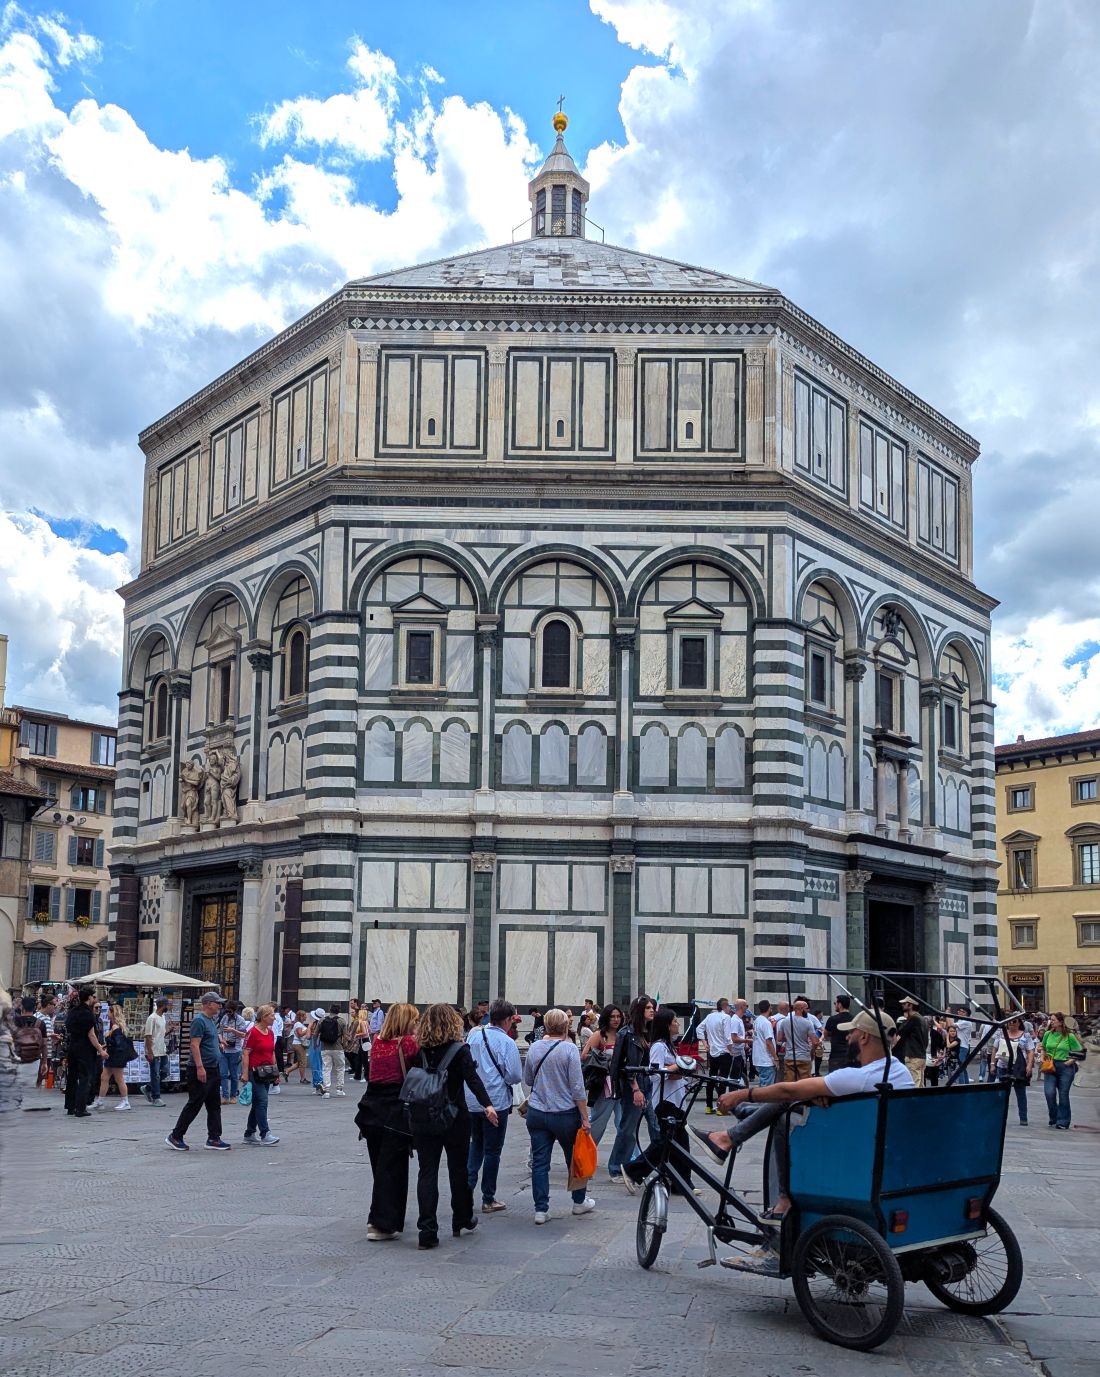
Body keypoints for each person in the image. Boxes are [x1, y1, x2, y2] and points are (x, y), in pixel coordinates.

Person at [693, 1010, 914, 1238]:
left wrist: (741, 1094)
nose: (848, 1038)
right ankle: (736, 1129)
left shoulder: (858, 1077)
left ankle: (781, 1194)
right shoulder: (900, 1072)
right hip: (882, 1149)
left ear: (865, 1038)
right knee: (798, 1099)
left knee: (784, 1113)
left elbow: (788, 1089)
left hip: (851, 1151)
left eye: (852, 1033)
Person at [409, 1002, 496, 1249]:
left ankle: (427, 1230)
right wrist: (487, 1105)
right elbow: (473, 1079)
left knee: (427, 1172)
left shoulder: (421, 1049)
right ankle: (462, 1218)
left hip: (424, 1117)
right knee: (458, 1170)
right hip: (454, 1117)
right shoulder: (460, 1050)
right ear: (453, 1023)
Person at [524, 1007, 594, 1224]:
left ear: (545, 1026)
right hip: (564, 1114)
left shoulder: (535, 1047)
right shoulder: (569, 1049)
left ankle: (541, 1210)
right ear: (566, 1027)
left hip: (537, 1112)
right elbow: (577, 1087)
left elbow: (527, 1079)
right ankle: (579, 1202)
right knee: (574, 1158)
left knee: (540, 1162)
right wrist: (584, 1117)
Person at [359, 1002, 419, 1241]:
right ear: (406, 1021)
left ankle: (386, 1216)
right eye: (414, 1019)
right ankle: (381, 1223)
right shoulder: (407, 1043)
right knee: (393, 1167)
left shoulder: (377, 1042)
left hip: (370, 1108)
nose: (417, 1023)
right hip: (395, 1108)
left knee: (380, 1166)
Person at [628, 1007, 695, 1193]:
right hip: (665, 1101)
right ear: (667, 1025)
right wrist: (675, 1067)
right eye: (674, 1021)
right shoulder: (658, 1046)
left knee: (676, 1142)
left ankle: (680, 1182)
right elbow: (655, 1074)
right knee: (667, 1142)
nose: (678, 1024)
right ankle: (634, 1170)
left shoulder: (669, 1046)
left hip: (676, 1099)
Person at [466, 999, 522, 1214]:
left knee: (475, 1145)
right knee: (492, 1151)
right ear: (507, 1019)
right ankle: (488, 1198)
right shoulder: (507, 1043)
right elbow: (515, 1075)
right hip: (496, 1102)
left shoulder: (474, 1034)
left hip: (472, 1100)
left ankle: (466, 1190)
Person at [166, 991, 231, 1151]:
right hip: (200, 1069)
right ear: (208, 1004)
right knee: (195, 1103)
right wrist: (200, 1067)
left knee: (214, 1105)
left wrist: (219, 1043)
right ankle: (175, 1136)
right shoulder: (199, 1020)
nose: (220, 1006)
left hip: (213, 1068)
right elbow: (194, 1044)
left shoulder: (211, 1020)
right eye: (218, 1003)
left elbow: (209, 1040)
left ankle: (214, 1138)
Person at [606, 993, 655, 1190]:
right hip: (633, 1085)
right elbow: (620, 1065)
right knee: (627, 1129)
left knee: (657, 1127)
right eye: (648, 1008)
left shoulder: (651, 1032)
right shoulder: (626, 1034)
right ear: (639, 1011)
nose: (652, 1010)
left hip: (650, 1084)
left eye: (653, 1007)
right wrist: (634, 1088)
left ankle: (643, 1167)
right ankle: (616, 1168)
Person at [582, 1004, 623, 1150]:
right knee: (598, 1122)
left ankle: (631, 1159)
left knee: (623, 1123)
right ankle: (585, 1153)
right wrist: (605, 1057)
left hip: (622, 1083)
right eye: (612, 1016)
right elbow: (584, 1056)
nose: (616, 1019)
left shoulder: (623, 1034)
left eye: (618, 1016)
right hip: (603, 1084)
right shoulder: (599, 1035)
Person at [241, 1004, 280, 1145]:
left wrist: (276, 1071)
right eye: (271, 1015)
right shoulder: (253, 1032)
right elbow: (246, 1053)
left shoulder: (270, 1033)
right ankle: (265, 1133)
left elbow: (272, 1052)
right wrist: (244, 1074)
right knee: (263, 1101)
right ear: (263, 1017)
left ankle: (249, 1133)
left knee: (258, 1103)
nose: (274, 1018)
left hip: (267, 1072)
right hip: (254, 1072)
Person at [64, 986, 105, 1116]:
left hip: (73, 1047)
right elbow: (91, 1035)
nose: (95, 999)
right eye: (93, 997)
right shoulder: (88, 1014)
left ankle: (70, 1107)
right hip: (85, 1049)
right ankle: (81, 1108)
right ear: (89, 998)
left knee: (72, 1077)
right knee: (84, 1078)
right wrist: (100, 1049)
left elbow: (68, 1028)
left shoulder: (73, 1012)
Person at [1040, 1012, 1084, 1130]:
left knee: (1063, 1094)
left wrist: (1070, 1061)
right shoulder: (1048, 1034)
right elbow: (1042, 1047)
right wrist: (1042, 1056)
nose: (1051, 1021)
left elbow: (1080, 1051)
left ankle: (1063, 1121)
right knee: (1049, 1093)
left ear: (1061, 1022)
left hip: (1065, 1067)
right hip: (1050, 1065)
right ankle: (1054, 1117)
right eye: (1051, 1020)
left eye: (1053, 1020)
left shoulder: (1069, 1036)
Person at [91, 1003, 133, 1112]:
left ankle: (125, 1101)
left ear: (113, 1013)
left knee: (119, 1079)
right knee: (104, 1077)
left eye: (109, 1012)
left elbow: (117, 1043)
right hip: (112, 1057)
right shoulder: (115, 1026)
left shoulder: (115, 1027)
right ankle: (100, 1101)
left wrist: (107, 1039)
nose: (107, 1014)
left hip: (116, 1057)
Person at [994, 1018, 1036, 1126]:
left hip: (1018, 1067)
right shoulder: (1001, 1034)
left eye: (1014, 1022)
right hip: (1002, 1066)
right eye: (1009, 1022)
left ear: (1019, 1023)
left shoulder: (1025, 1036)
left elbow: (1030, 1050)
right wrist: (992, 1063)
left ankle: (1023, 1117)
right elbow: (995, 1048)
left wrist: (1029, 1065)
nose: (1011, 1024)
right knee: (1001, 1092)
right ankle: (998, 1115)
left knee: (1020, 1092)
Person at [700, 999, 735, 1114]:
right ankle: (721, 1108)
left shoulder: (710, 1016)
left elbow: (699, 1029)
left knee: (712, 1078)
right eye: (729, 1005)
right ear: (725, 1006)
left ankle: (708, 1106)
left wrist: (705, 1044)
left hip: (713, 1052)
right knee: (723, 1080)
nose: (730, 1008)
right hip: (724, 1052)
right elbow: (727, 1037)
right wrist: (730, 1050)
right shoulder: (726, 1017)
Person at [774, 998, 819, 1081]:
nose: (807, 1011)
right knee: (804, 1084)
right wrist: (812, 1053)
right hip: (804, 1058)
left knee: (790, 1084)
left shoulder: (785, 1021)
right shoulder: (808, 1023)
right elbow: (815, 1042)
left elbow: (779, 1038)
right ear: (801, 1009)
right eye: (806, 1008)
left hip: (789, 1057)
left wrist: (789, 1037)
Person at [217, 1000, 248, 1104]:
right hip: (224, 1049)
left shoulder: (240, 1020)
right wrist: (221, 1040)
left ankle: (233, 1095)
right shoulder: (224, 1018)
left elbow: (244, 1035)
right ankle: (225, 1096)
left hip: (235, 1050)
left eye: (230, 1011)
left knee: (234, 1074)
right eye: (226, 1011)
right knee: (223, 1073)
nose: (228, 1014)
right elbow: (219, 1031)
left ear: (235, 1011)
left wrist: (232, 1030)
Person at [894, 998, 929, 1087]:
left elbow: (901, 1030)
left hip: (913, 1055)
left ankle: (914, 1101)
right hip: (921, 1055)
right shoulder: (922, 1019)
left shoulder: (913, 1019)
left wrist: (906, 1018)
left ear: (911, 1005)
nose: (902, 1005)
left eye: (905, 1003)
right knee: (920, 1084)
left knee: (914, 1083)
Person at [315, 1003, 348, 1097]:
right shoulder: (342, 1021)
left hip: (325, 1048)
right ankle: (339, 1089)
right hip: (338, 1048)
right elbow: (345, 1036)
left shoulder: (322, 1020)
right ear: (339, 1011)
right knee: (340, 1068)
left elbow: (315, 1034)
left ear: (330, 1010)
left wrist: (315, 1044)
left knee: (326, 1068)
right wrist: (344, 1046)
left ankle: (326, 1091)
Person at [142, 997, 171, 1106]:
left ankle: (148, 1087)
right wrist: (149, 1052)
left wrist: (169, 1031)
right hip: (154, 1050)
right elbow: (148, 1036)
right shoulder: (152, 1018)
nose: (169, 1007)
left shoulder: (163, 1017)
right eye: (168, 1004)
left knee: (165, 1071)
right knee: (156, 1074)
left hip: (162, 1049)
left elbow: (160, 1034)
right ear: (163, 1005)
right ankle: (156, 1097)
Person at [823, 995, 856, 1073]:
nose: (835, 1005)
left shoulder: (832, 1019)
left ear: (840, 1004)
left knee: (833, 1083)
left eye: (835, 1003)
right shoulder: (854, 1019)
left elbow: (825, 1034)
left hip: (836, 1056)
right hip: (851, 1056)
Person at [751, 999, 778, 1087]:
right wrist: (775, 1058)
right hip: (766, 1060)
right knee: (767, 1088)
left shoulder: (757, 1021)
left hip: (758, 1058)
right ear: (769, 1008)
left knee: (763, 1085)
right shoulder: (766, 1023)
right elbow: (769, 1042)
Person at [347, 1001, 371, 1082]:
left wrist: (357, 1035)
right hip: (365, 1040)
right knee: (360, 1058)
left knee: (364, 1060)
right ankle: (357, 1076)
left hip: (363, 1040)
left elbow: (364, 1033)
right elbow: (369, 1031)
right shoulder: (366, 1022)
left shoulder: (362, 1023)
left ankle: (366, 1077)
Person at [925, 1015, 948, 1087]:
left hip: (934, 1056)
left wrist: (942, 1054)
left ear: (929, 1025)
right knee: (922, 1075)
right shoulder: (919, 1033)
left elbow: (942, 1045)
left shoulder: (935, 1034)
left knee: (934, 1076)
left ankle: (934, 1091)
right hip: (922, 1055)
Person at [288, 1010, 309, 1084]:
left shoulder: (299, 1024)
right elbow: (300, 1034)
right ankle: (302, 1079)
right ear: (301, 1016)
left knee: (300, 1062)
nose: (306, 1017)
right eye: (304, 1015)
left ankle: (287, 1071)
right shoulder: (298, 1024)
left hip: (299, 1044)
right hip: (298, 1044)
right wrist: (307, 1030)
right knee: (303, 1062)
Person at [954, 1005, 973, 1085]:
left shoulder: (966, 1022)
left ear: (967, 1014)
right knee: (963, 1067)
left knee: (960, 1068)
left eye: (962, 1012)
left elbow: (951, 1025)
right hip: (961, 1046)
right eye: (959, 1011)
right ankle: (966, 1085)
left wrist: (947, 1014)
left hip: (963, 1047)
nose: (960, 1012)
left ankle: (962, 1085)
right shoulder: (960, 1021)